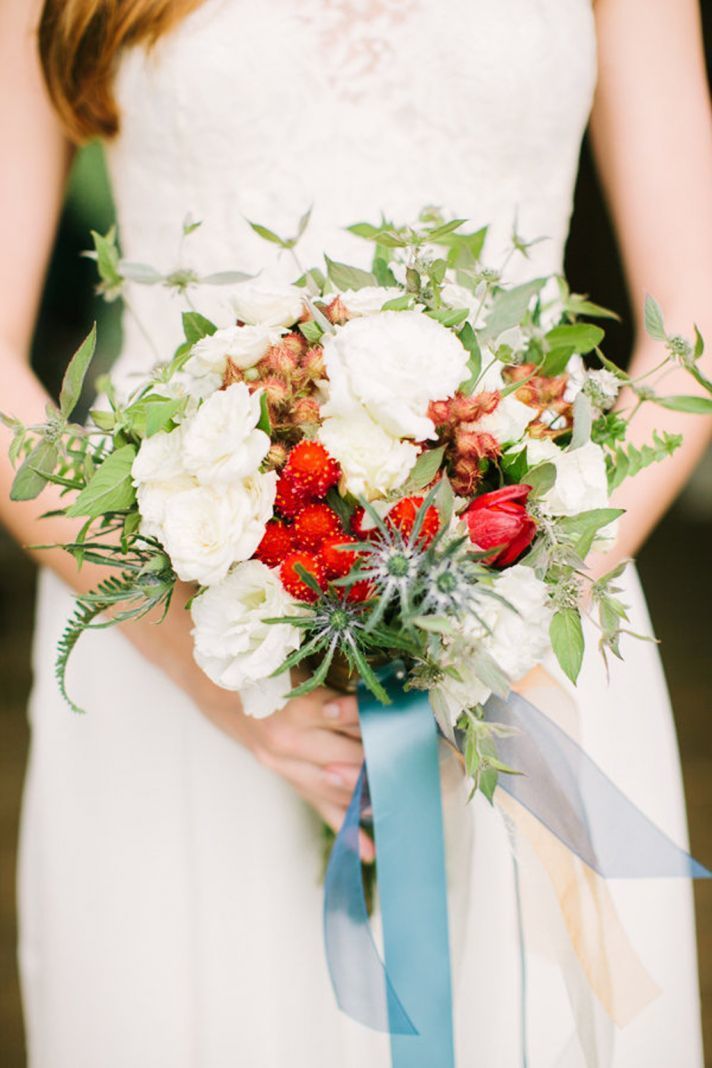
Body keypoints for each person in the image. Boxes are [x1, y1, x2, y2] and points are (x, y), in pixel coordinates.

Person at [1, 0, 711, 1064]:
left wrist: (502, 603)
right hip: (170, 626)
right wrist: (207, 666)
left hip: (527, 634)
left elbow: (688, 336)